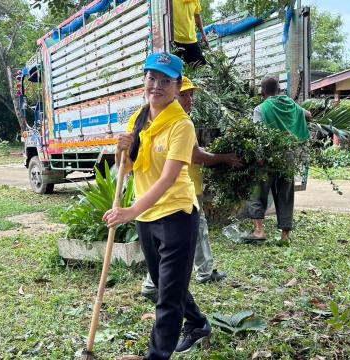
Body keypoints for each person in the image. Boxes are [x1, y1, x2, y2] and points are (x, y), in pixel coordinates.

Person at [104, 52, 210, 360]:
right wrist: (119, 152)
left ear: (177, 86)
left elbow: (167, 179)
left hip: (177, 214)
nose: (157, 86)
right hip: (147, 216)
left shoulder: (182, 125)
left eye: (165, 81)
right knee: (167, 284)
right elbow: (129, 166)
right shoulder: (138, 119)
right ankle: (199, 323)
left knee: (166, 297)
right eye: (152, 78)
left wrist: (130, 211)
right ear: (145, 81)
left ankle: (156, 356)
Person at [140, 76, 241, 302]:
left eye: (191, 95)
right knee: (187, 237)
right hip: (181, 191)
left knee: (177, 242)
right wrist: (223, 157)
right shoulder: (177, 122)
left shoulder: (171, 120)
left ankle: (167, 281)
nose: (190, 100)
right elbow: (194, 155)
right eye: (184, 94)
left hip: (176, 190)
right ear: (172, 94)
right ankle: (161, 282)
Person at [244, 76, 311, 242]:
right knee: (285, 193)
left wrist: (259, 156)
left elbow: (259, 134)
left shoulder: (260, 108)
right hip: (287, 156)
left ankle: (259, 231)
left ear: (263, 92)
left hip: (267, 156)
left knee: (258, 191)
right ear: (279, 90)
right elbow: (308, 114)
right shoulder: (289, 104)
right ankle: (285, 235)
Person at [172, 0, 209, 66]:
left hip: (191, 40)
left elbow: (197, 16)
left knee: (202, 69)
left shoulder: (195, 1)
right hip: (175, 40)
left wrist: (204, 34)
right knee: (173, 71)